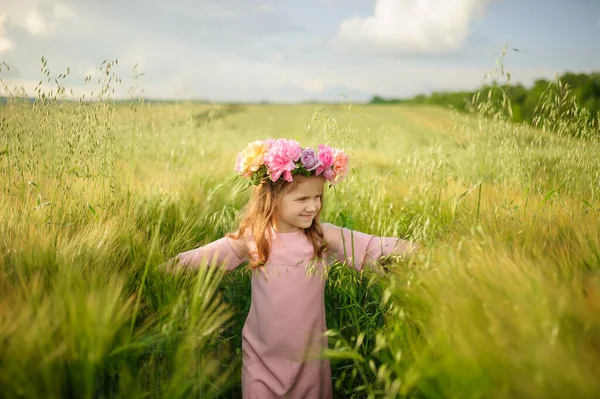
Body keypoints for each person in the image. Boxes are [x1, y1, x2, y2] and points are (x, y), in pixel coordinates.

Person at [160, 138, 419, 398]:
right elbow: (204, 257)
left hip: (309, 360)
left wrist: (423, 254)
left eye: (317, 197)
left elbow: (373, 246)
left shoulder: (320, 237)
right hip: (261, 360)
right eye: (302, 198)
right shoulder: (254, 237)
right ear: (272, 198)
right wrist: (160, 271)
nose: (313, 206)